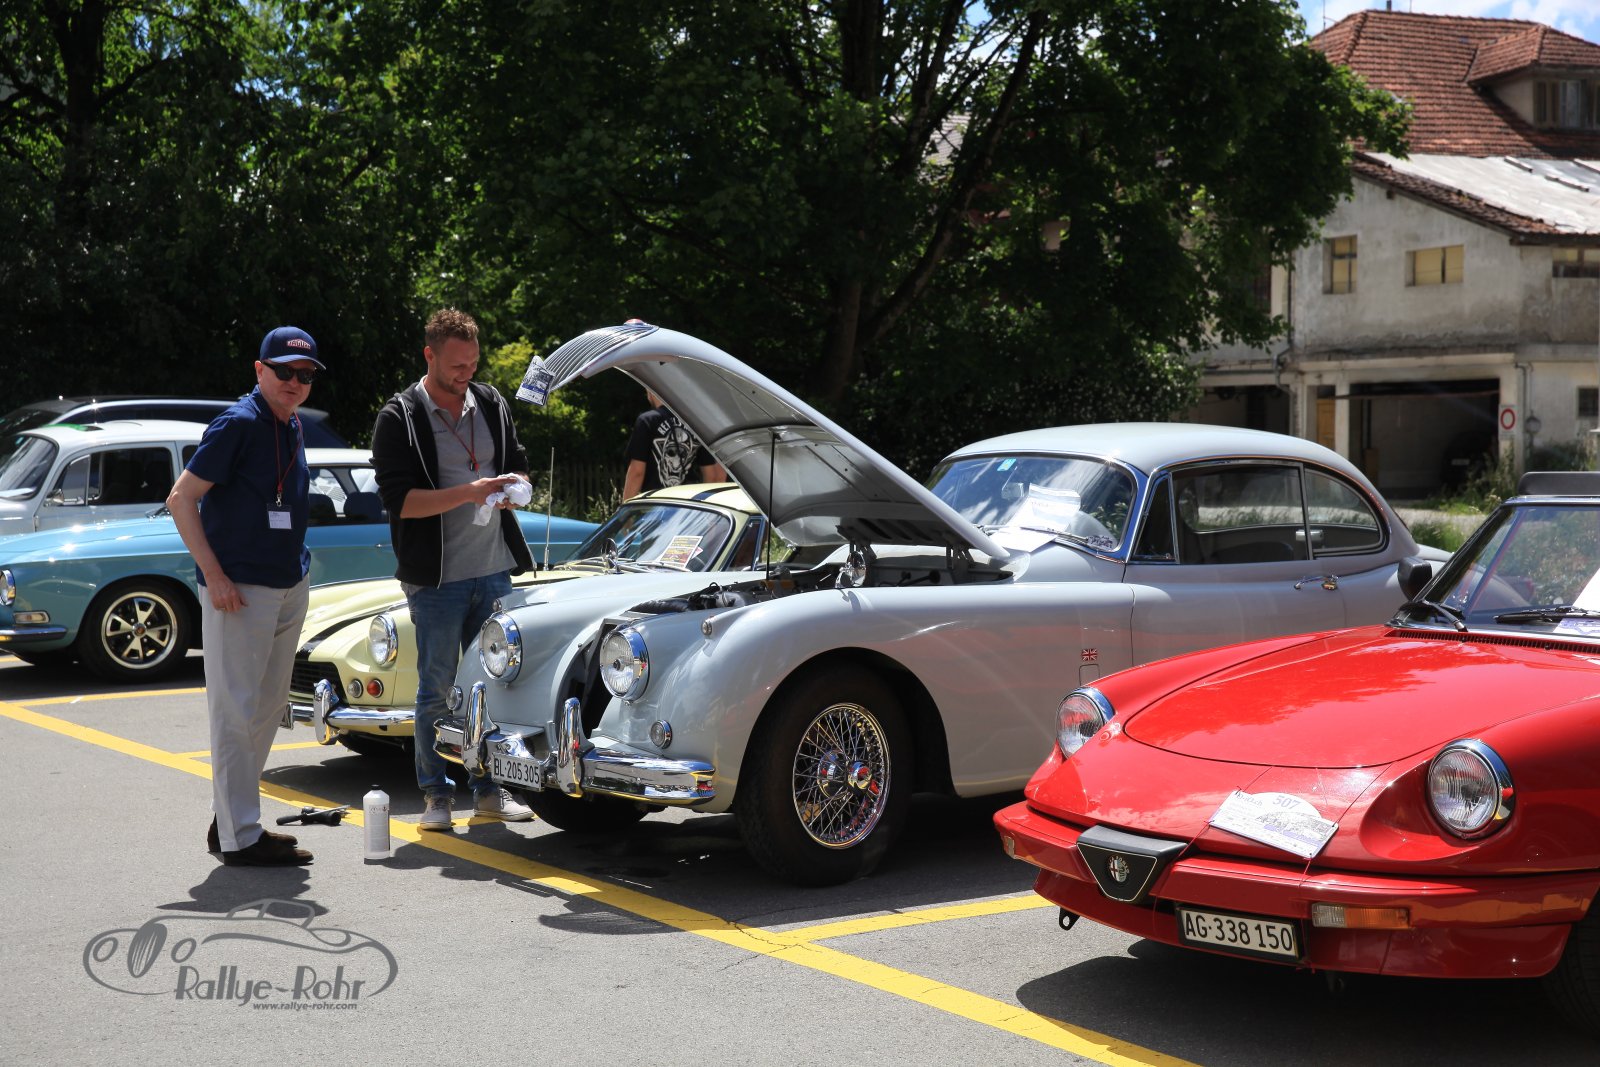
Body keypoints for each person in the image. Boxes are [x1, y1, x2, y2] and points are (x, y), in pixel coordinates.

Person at [371, 307, 536, 831]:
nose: (467, 373)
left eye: (473, 363)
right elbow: (401, 502)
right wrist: (471, 492)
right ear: (430, 355)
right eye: (456, 365)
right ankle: (436, 796)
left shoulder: (491, 402)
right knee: (437, 690)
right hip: (436, 579)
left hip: (494, 569)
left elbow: (517, 461)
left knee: (494, 686)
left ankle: (489, 791)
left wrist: (516, 489)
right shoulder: (399, 416)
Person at [169, 325, 323, 867]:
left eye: (305, 374)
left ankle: (231, 820)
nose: (295, 382)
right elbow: (181, 498)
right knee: (235, 710)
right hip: (239, 590)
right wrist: (214, 576)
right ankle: (241, 836)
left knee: (268, 707)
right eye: (284, 371)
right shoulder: (238, 422)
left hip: (287, 583)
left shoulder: (292, 423)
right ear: (260, 370)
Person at [622, 389, 725, 499]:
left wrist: (626, 505)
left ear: (650, 391)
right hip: (687, 504)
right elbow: (711, 475)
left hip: (656, 503)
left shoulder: (647, 420)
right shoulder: (695, 423)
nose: (675, 464)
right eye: (671, 453)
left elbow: (637, 472)